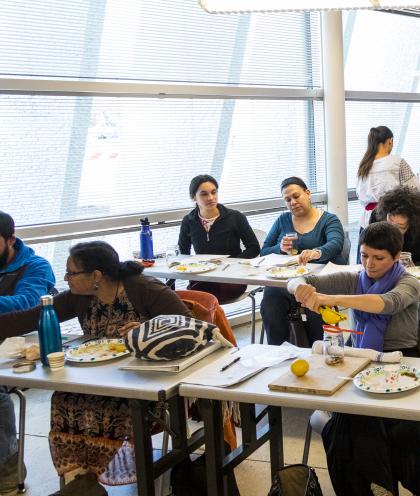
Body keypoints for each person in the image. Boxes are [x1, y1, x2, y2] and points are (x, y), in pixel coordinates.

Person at [0, 241, 188, 491]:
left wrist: (148, 329)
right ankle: (82, 481)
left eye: (72, 273)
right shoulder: (79, 296)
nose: (66, 278)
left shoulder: (144, 288)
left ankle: (95, 476)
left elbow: (188, 325)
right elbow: (29, 318)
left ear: (96, 275)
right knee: (64, 398)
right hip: (99, 377)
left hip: (145, 380)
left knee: (108, 406)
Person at [294, 222, 420, 495]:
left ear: (396, 257)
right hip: (361, 359)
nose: (369, 264)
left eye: (379, 258)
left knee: (349, 424)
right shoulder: (357, 277)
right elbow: (299, 279)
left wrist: (328, 298)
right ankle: (379, 486)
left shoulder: (408, 282)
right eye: (364, 255)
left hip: (401, 362)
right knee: (354, 420)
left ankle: (371, 486)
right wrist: (300, 287)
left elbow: (386, 303)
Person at [0, 211, 55, 495]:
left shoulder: (36, 266)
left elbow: (27, 303)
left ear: (10, 239)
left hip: (18, 351)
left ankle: (7, 474)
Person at [259, 177, 347, 346]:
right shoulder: (282, 220)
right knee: (270, 304)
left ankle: (318, 352)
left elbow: (336, 244)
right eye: (288, 199)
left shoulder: (329, 220)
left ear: (308, 194)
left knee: (315, 305)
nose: (293, 202)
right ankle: (279, 353)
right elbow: (264, 251)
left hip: (318, 281)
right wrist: (280, 248)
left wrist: (316, 252)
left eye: (296, 196)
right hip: (286, 281)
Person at [177, 174, 260, 303]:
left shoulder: (235, 217)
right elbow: (183, 253)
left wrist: (233, 262)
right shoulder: (188, 221)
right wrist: (194, 267)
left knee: (201, 298)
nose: (211, 198)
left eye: (214, 192)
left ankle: (211, 322)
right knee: (189, 296)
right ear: (194, 197)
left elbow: (254, 248)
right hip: (203, 276)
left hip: (231, 276)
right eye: (204, 194)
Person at [356, 126, 417, 228]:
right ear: (390, 141)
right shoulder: (397, 162)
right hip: (392, 218)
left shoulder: (363, 165)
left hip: (367, 220)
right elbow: (414, 190)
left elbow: (360, 196)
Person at [365, 187, 420, 267]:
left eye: (400, 226)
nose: (393, 230)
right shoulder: (376, 217)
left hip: (414, 274)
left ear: (412, 222)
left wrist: (415, 268)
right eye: (390, 222)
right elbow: (367, 251)